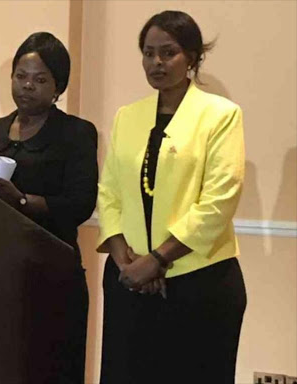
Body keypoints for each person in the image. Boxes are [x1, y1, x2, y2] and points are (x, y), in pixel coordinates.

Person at [97, 10, 246, 384]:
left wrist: (158, 259)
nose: (156, 62)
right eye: (148, 53)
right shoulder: (127, 116)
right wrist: (125, 260)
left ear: (192, 57)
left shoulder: (220, 115)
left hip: (198, 281)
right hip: (128, 278)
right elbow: (109, 191)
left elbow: (219, 200)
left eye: (169, 52)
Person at [0, 32, 98, 383]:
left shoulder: (77, 133)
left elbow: (80, 204)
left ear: (59, 87)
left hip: (52, 277)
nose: (27, 86)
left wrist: (22, 201)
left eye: (40, 80)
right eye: (20, 77)